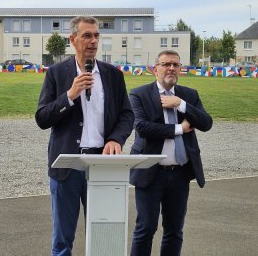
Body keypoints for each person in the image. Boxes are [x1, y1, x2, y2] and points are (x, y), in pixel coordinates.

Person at [35, 15, 134, 255]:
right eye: (87, 35)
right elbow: (42, 118)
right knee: (62, 239)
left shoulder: (113, 75)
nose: (93, 41)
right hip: (67, 166)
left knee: (104, 235)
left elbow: (126, 116)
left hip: (103, 164)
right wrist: (70, 94)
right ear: (73, 39)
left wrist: (115, 139)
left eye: (97, 35)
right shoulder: (57, 74)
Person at [129, 50, 213, 256]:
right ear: (155, 69)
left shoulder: (189, 95)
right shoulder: (139, 94)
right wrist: (180, 129)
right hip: (150, 172)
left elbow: (206, 123)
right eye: (166, 64)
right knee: (146, 228)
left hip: (179, 174)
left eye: (176, 65)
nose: (171, 69)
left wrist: (180, 104)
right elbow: (142, 127)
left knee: (174, 230)